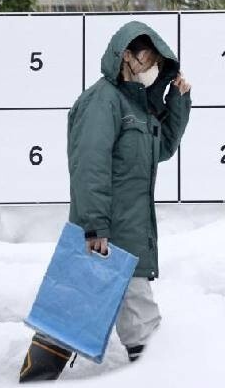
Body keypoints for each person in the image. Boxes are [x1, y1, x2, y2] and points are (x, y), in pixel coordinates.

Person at [19, 21, 192, 382]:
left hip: (128, 231)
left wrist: (176, 100)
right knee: (134, 322)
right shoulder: (103, 100)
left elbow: (161, 149)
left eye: (158, 63)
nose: (153, 67)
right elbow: (89, 166)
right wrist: (94, 225)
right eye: (149, 59)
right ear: (126, 55)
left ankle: (34, 379)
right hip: (107, 233)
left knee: (72, 316)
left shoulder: (137, 107)